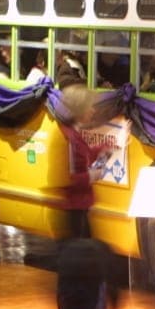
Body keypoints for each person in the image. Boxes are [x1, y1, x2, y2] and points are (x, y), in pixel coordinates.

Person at [58, 84, 109, 238]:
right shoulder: (69, 137)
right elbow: (70, 178)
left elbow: (83, 156)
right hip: (75, 207)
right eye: (89, 107)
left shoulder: (74, 133)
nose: (93, 110)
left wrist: (106, 147)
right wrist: (95, 175)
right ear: (79, 110)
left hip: (80, 206)